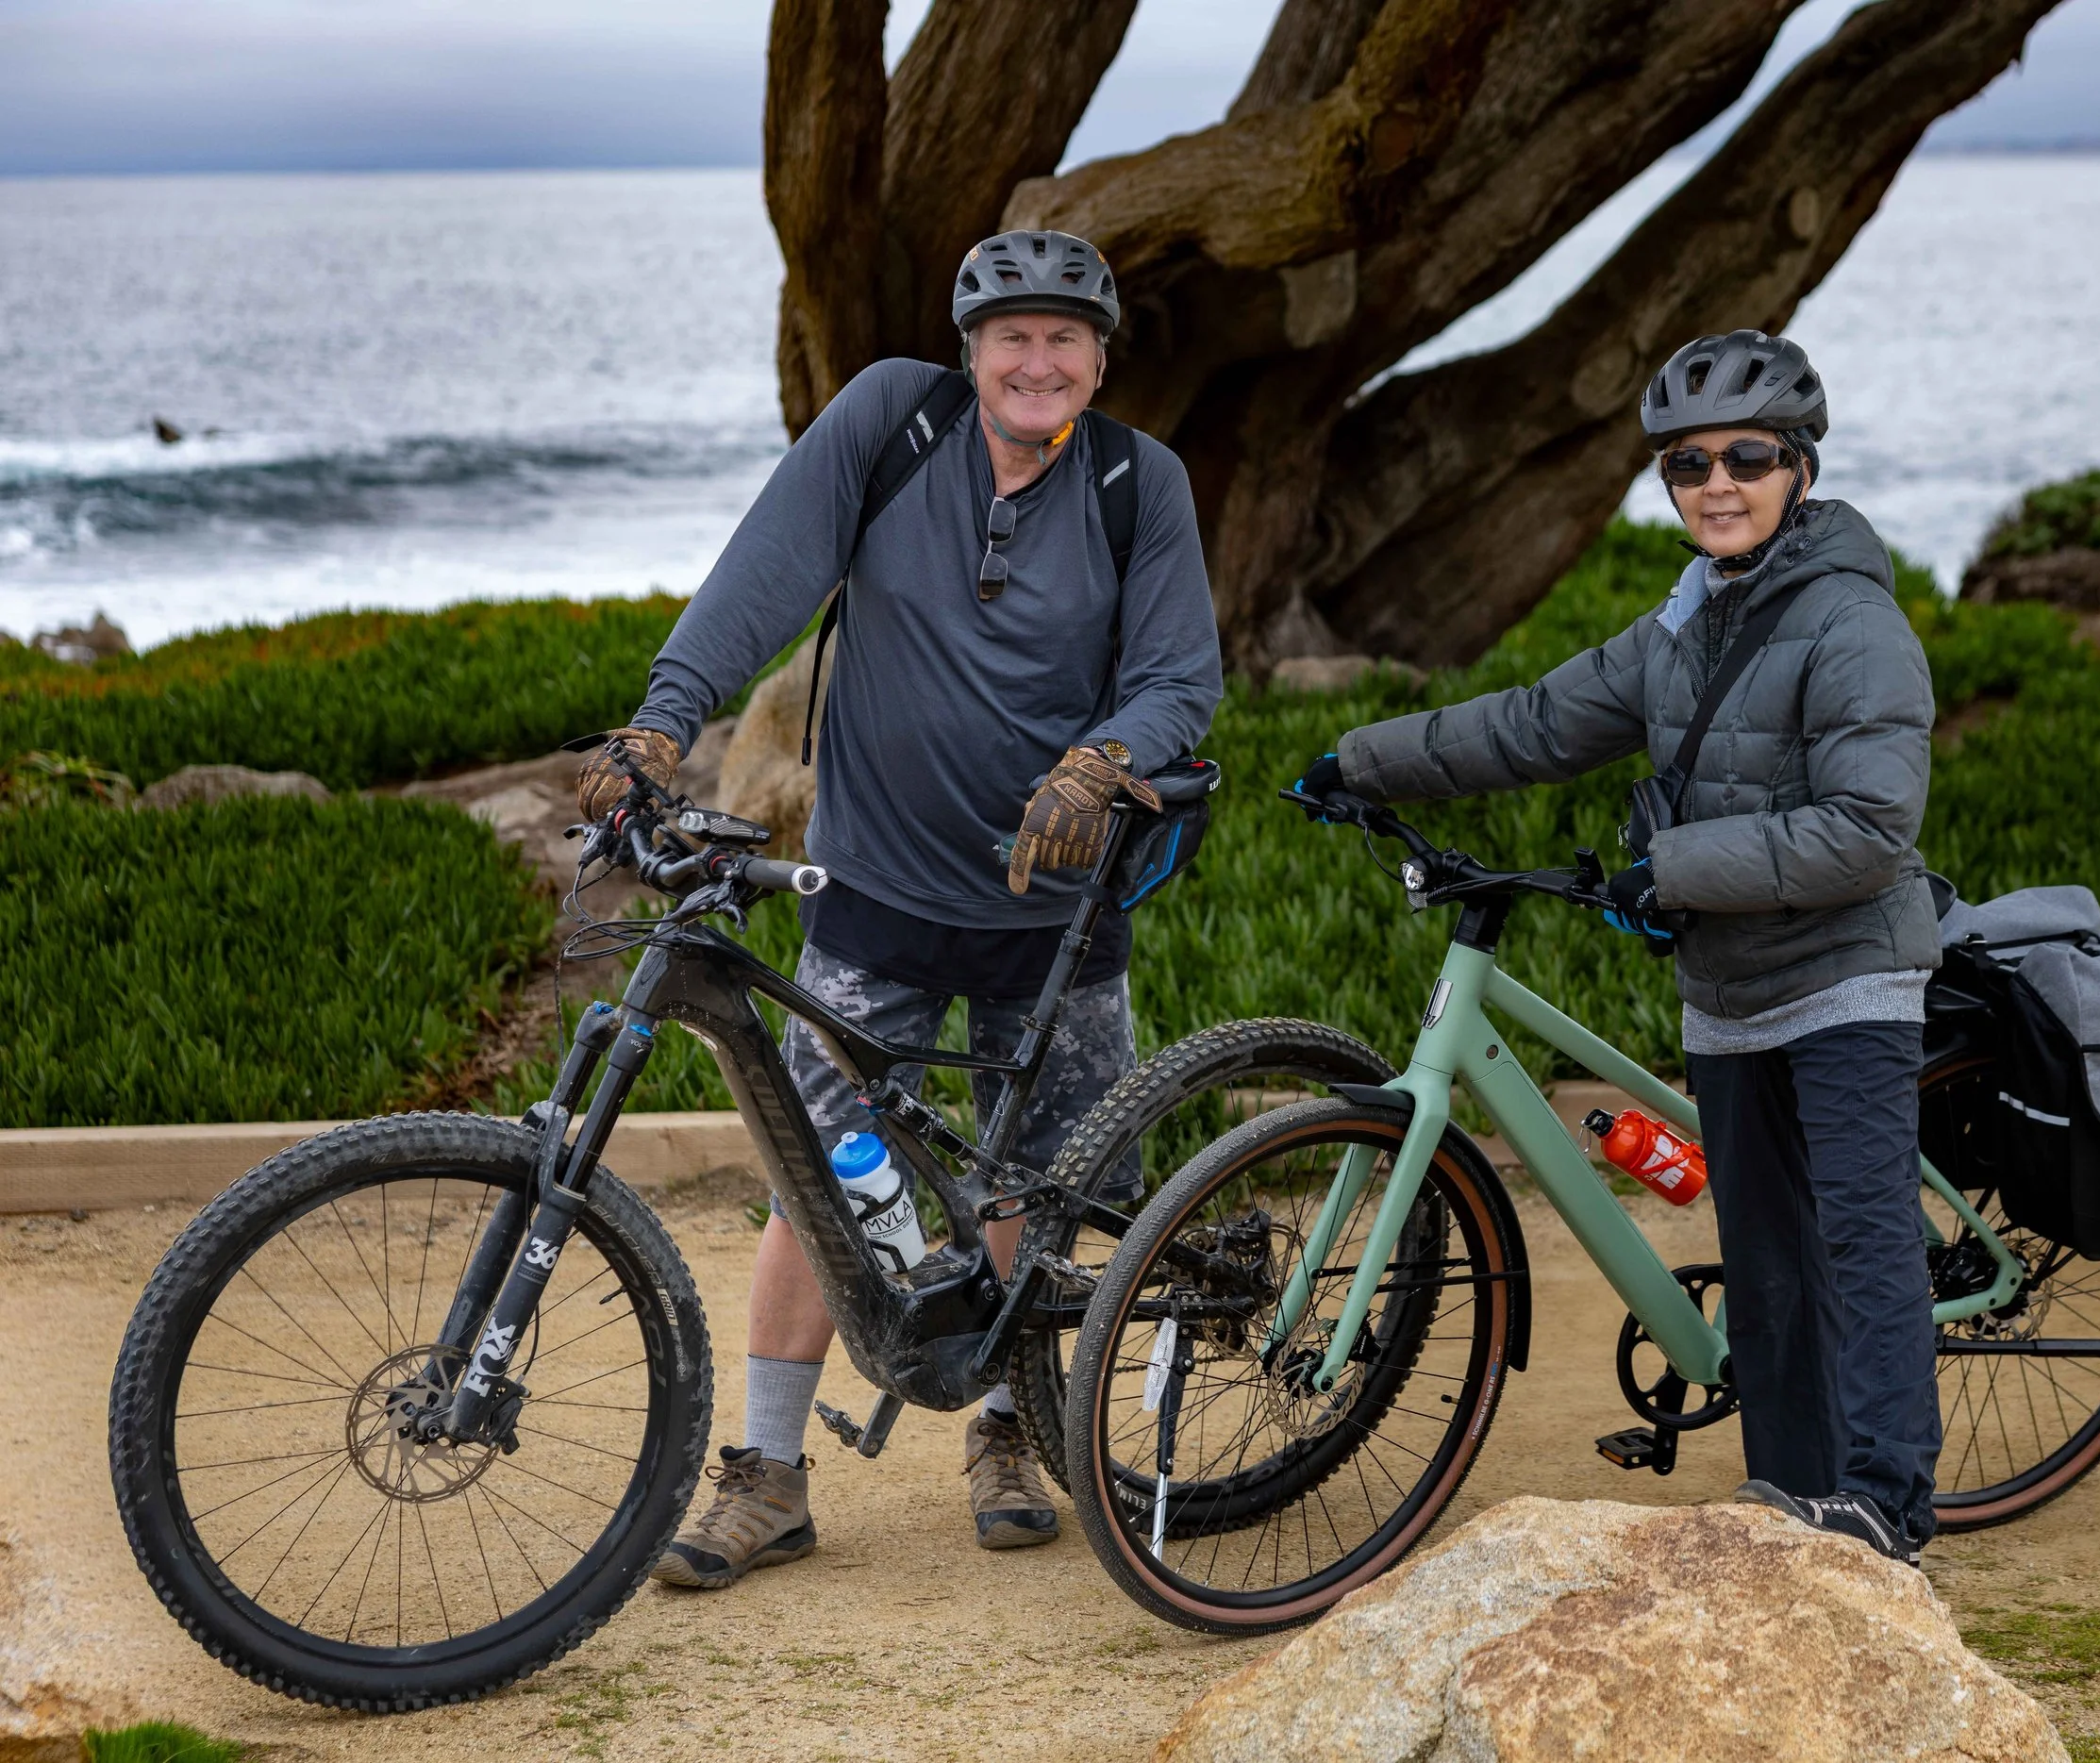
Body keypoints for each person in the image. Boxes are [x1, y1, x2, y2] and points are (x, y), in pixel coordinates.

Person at [577, 229, 1222, 1586]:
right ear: (971, 350)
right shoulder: (890, 419)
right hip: (873, 886)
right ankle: (766, 1475)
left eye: (1064, 340)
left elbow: (1179, 679)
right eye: (1012, 337)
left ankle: (1008, 1427)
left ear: (1099, 363)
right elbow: (762, 577)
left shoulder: (1135, 483)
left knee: (1041, 1182)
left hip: (1056, 909)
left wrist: (1103, 763)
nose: (1035, 361)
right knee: (818, 1172)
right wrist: (658, 728)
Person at [1295, 330, 1942, 1564]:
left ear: (1799, 467)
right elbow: (1536, 723)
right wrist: (1363, 757)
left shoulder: (1854, 628)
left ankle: (1887, 1507)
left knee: (1859, 1249)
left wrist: (1678, 869)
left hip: (1849, 974)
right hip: (1733, 986)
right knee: (1764, 1259)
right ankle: (1795, 1498)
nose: (1716, 483)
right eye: (1688, 463)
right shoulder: (1679, 631)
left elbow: (1867, 831)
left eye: (1747, 457)